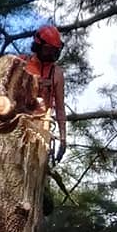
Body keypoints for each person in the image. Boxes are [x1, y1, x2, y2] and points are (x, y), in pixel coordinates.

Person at [21, 24, 67, 162]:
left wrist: (63, 138)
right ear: (38, 46)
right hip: (19, 122)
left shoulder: (56, 73)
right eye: (48, 50)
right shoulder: (22, 63)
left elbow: (60, 108)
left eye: (54, 50)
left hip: (42, 126)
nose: (52, 54)